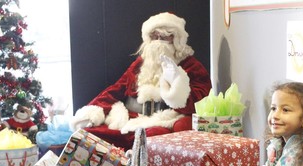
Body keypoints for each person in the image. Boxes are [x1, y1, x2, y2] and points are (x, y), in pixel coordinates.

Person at [69, 12, 211, 150]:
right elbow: (117, 89)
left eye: (164, 36)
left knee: (151, 139)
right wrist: (93, 110)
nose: (158, 41)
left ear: (176, 40)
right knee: (91, 133)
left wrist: (176, 88)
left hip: (161, 122)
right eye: (154, 36)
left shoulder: (191, 66)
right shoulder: (141, 64)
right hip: (130, 119)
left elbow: (200, 102)